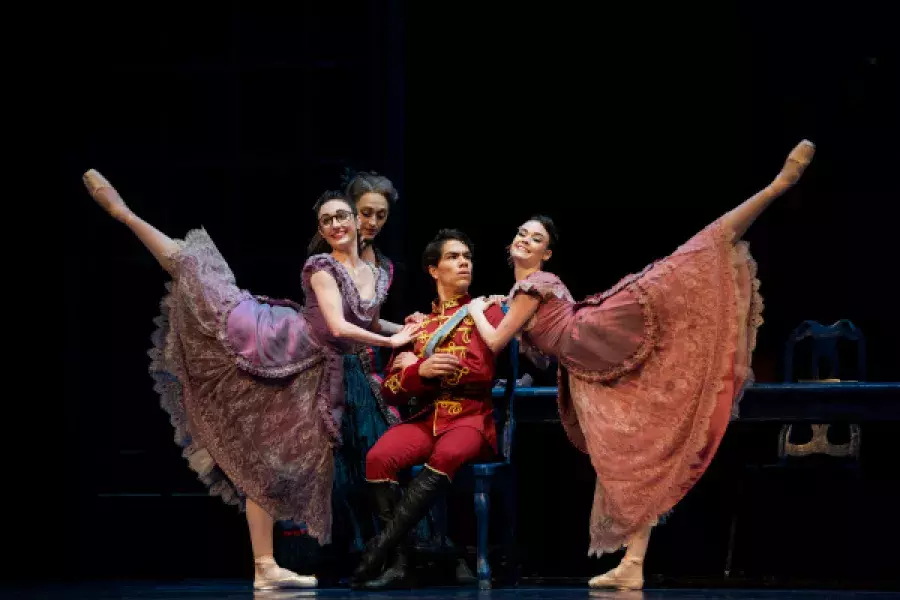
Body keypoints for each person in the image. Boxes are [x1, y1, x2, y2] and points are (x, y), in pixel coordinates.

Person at [465, 140, 816, 590]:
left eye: (535, 238)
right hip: (588, 367)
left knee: (680, 266)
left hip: (597, 334)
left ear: (547, 253)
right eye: (521, 233)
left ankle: (777, 186)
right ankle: (633, 561)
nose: (523, 239)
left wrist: (477, 308)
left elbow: (495, 341)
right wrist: (501, 305)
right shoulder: (526, 292)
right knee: (627, 458)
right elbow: (540, 346)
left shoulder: (535, 283)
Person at [81, 170, 417, 591]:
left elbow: (363, 319)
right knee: (200, 276)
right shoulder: (322, 267)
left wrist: (404, 328)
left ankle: (266, 566)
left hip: (316, 372)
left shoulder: (378, 269)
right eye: (327, 219)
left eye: (342, 216)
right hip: (282, 347)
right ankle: (125, 214)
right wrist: (395, 338)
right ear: (322, 230)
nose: (337, 224)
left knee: (272, 459)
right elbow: (337, 325)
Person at [349, 229, 506, 589]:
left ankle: (376, 554)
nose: (464, 262)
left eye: (467, 256)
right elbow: (390, 391)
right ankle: (399, 561)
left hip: (469, 419)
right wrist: (420, 370)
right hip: (426, 420)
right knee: (378, 458)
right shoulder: (417, 325)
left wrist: (420, 365)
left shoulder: (488, 311)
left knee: (448, 453)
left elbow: (480, 369)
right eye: (453, 257)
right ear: (433, 270)